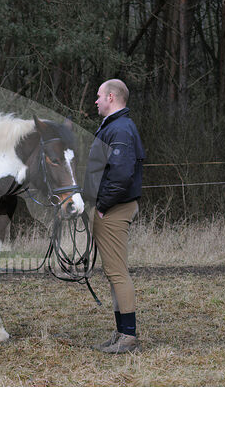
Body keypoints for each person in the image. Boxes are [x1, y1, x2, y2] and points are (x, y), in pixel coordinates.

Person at [84, 79, 146, 353]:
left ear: (111, 96)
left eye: (98, 96)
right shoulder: (115, 126)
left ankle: (128, 336)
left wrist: (102, 205)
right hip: (111, 207)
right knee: (113, 271)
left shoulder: (120, 128)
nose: (95, 101)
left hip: (114, 208)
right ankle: (122, 332)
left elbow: (121, 175)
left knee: (117, 271)